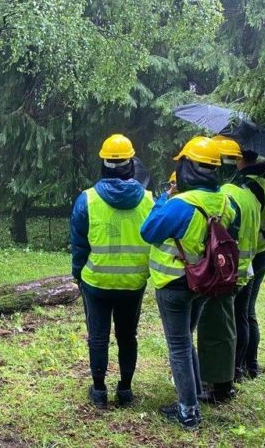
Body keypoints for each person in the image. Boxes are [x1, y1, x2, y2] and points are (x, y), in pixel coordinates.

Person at [141, 136, 237, 429]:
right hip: (205, 283)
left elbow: (149, 231)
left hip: (173, 283)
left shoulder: (180, 205)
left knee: (179, 346)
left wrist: (163, 197)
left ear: (188, 168)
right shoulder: (224, 201)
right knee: (187, 340)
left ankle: (188, 411)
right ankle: (193, 394)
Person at [71, 134, 154, 409]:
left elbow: (79, 246)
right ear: (131, 164)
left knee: (98, 337)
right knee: (127, 336)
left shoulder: (87, 200)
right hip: (133, 283)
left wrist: (78, 274)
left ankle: (98, 391)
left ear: (104, 164)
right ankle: (126, 390)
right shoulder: (149, 201)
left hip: (96, 282)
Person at [196, 137, 260, 403]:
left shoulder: (227, 196)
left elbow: (219, 238)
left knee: (215, 328)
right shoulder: (250, 195)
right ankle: (231, 375)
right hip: (243, 269)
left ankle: (218, 386)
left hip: (225, 274)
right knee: (235, 322)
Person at [235, 150, 265, 380]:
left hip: (254, 252)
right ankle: (251, 365)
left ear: (241, 159)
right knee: (248, 310)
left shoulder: (251, 187)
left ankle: (240, 367)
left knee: (240, 311)